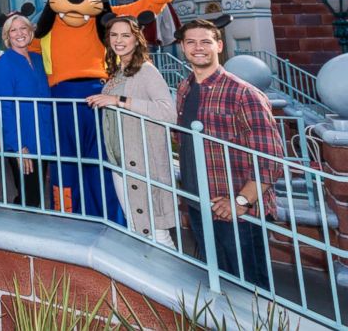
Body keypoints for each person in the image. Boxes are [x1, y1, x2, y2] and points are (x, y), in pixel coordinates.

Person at [175, 19, 284, 289]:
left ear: (219, 46)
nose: (198, 48)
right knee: (220, 283)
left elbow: (270, 158)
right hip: (200, 203)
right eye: (191, 42)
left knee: (251, 289)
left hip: (237, 209)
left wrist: (241, 201)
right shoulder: (185, 88)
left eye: (205, 41)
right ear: (182, 47)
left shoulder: (243, 93)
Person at [85, 16, 175, 247]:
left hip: (143, 162)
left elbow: (168, 112)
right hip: (120, 161)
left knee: (156, 233)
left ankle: (173, 282)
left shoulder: (146, 71)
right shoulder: (117, 72)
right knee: (137, 227)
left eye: (125, 35)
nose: (119, 40)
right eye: (114, 35)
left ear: (137, 39)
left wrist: (118, 100)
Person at [0, 13, 54, 208]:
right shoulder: (4, 64)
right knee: (30, 197)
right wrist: (18, 146)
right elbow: (3, 108)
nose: (19, 33)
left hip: (43, 136)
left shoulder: (37, 59)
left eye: (23, 28)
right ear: (7, 36)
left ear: (31, 31)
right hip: (23, 139)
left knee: (37, 193)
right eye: (13, 30)